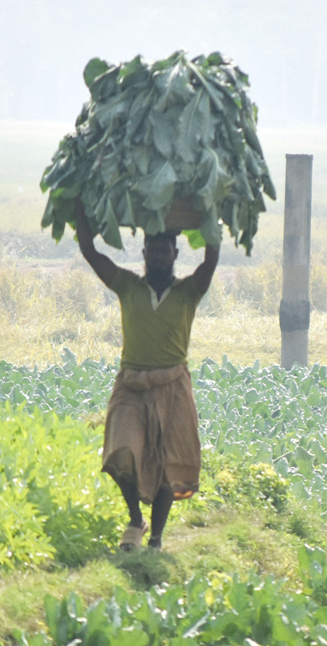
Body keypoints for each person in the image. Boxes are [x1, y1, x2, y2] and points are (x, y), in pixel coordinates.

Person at [73, 202, 219, 550]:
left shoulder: (188, 292)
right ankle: (135, 518)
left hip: (173, 387)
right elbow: (90, 253)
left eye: (164, 251)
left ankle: (155, 538)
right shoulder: (127, 286)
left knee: (170, 465)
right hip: (131, 385)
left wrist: (213, 216)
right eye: (152, 251)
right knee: (121, 451)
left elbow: (210, 263)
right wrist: (79, 210)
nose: (157, 257)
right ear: (144, 254)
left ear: (174, 255)